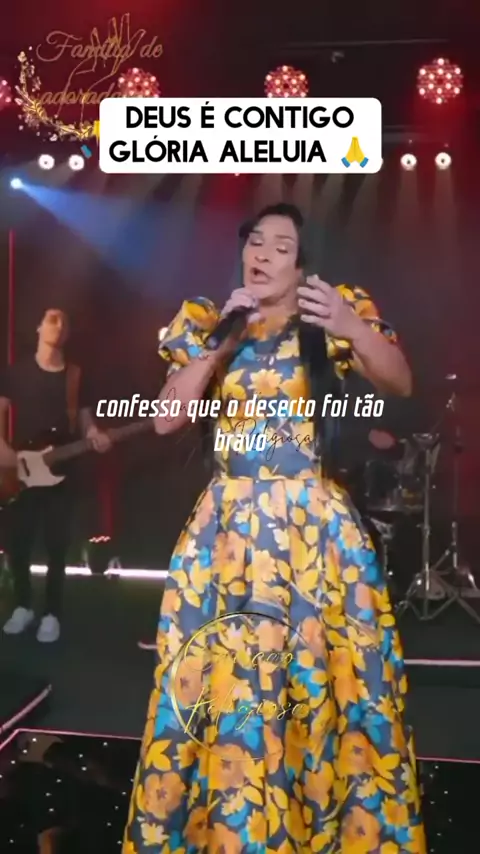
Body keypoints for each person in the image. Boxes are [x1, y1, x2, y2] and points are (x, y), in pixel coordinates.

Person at [123, 204, 426, 852]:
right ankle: (234, 830)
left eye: (281, 247)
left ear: (304, 266)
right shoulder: (207, 320)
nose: (261, 254)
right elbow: (167, 419)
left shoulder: (331, 316)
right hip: (229, 531)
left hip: (312, 534)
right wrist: (221, 344)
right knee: (230, 687)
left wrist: (351, 326)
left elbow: (400, 380)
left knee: (315, 683)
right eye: (255, 241)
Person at [0, 308, 111, 643]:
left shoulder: (75, 376)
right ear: (38, 327)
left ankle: (52, 613)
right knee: (18, 543)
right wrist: (3, 451)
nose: (58, 326)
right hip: (22, 472)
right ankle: (22, 605)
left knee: (57, 546)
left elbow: (85, 421)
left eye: (64, 322)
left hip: (62, 473)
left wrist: (95, 435)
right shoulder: (16, 373)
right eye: (52, 319)